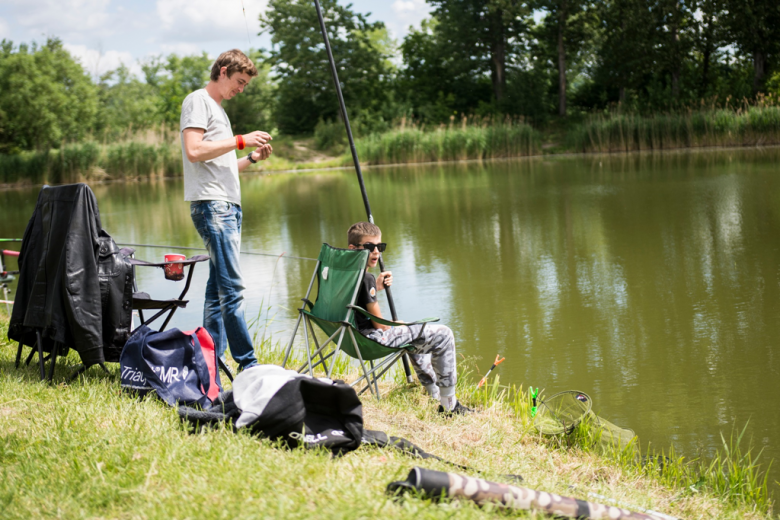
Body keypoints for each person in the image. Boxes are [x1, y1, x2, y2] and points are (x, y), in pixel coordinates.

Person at [180, 49, 273, 371]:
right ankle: (249, 366)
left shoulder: (218, 109)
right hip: (213, 208)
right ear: (222, 71)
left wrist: (252, 158)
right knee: (232, 290)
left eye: (245, 84)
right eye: (239, 81)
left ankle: (210, 361)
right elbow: (194, 152)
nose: (241, 89)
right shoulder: (198, 101)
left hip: (226, 207)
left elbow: (219, 165)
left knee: (217, 292)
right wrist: (240, 140)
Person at [347, 222, 473, 415]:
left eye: (379, 247)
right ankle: (449, 406)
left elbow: (354, 302)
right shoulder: (366, 279)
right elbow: (381, 326)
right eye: (369, 247)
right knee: (444, 334)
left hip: (348, 339)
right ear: (353, 248)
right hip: (370, 341)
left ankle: (434, 394)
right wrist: (396, 325)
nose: (376, 252)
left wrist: (375, 289)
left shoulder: (344, 274)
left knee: (413, 334)